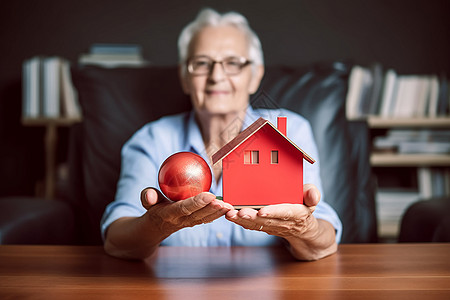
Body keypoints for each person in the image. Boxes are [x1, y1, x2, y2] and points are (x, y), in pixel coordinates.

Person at [101, 8, 342, 261]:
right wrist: (156, 225)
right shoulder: (151, 140)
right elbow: (116, 241)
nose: (217, 77)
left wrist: (303, 228)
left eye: (233, 63)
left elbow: (324, 243)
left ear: (255, 76)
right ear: (185, 77)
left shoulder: (290, 130)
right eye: (202, 63)